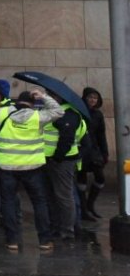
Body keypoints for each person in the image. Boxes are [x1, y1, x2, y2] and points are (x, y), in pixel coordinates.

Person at [0, 89, 62, 252]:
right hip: (33, 167)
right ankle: (44, 240)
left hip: (7, 166)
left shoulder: (3, 112)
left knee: (8, 202)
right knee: (39, 203)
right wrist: (44, 97)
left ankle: (12, 241)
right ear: (32, 103)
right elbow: (59, 111)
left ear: (17, 102)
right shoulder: (38, 116)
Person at [41, 92, 85, 240]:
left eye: (51, 95)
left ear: (59, 97)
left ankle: (67, 230)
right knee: (52, 195)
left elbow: (66, 138)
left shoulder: (69, 113)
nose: (48, 97)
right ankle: (56, 226)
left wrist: (57, 157)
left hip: (62, 160)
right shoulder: (51, 111)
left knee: (64, 196)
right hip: (48, 159)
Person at [79, 87, 108, 220]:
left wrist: (105, 152)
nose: (92, 100)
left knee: (100, 177)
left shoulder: (98, 114)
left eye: (95, 98)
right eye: (90, 97)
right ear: (85, 97)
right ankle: (83, 209)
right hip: (81, 150)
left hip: (94, 151)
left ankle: (90, 205)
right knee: (81, 180)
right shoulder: (79, 111)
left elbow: (101, 134)